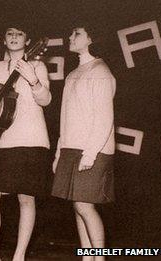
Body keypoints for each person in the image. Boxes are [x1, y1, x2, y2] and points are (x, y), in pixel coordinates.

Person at [0, 22, 52, 261]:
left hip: (30, 139)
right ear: (4, 40)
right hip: (0, 140)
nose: (14, 36)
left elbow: (46, 100)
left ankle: (19, 256)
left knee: (26, 198)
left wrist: (33, 80)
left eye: (20, 33)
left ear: (29, 41)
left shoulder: (37, 65)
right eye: (9, 33)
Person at [51, 25, 116, 261]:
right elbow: (67, 117)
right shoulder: (73, 73)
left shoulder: (100, 71)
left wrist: (90, 154)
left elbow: (104, 118)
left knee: (84, 206)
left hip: (93, 149)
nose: (70, 37)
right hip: (71, 148)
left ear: (91, 39)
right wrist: (59, 152)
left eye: (76, 34)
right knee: (77, 207)